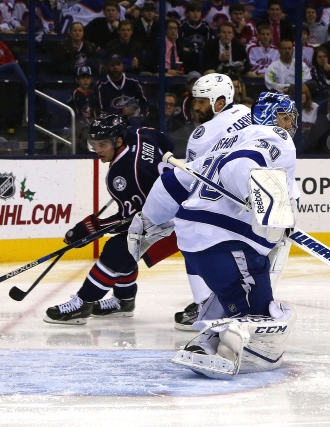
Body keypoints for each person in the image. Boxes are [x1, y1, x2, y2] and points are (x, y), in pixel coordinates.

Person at [128, 92, 299, 377]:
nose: (289, 124)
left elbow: (172, 181)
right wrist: (260, 202)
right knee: (259, 312)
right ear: (272, 117)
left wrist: (149, 221)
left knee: (231, 293)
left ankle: (206, 341)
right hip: (228, 237)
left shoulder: (225, 142)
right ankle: (235, 339)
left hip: (194, 239)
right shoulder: (277, 138)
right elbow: (240, 167)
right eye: (285, 116)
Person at [44, 114, 175, 325]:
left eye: (103, 144)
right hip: (179, 205)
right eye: (94, 144)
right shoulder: (141, 133)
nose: (98, 149)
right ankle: (124, 301)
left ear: (119, 141)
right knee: (130, 245)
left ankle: (83, 303)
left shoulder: (122, 174)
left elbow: (132, 220)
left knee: (119, 248)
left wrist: (90, 228)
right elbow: (167, 142)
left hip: (172, 221)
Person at [175, 73, 252, 330]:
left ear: (219, 102)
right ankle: (239, 301)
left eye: (201, 102)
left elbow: (191, 181)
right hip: (251, 202)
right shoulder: (246, 112)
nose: (195, 107)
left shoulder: (201, 135)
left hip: (221, 208)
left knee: (190, 235)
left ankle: (204, 304)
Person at [96, 55, 149, 120]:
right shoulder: (101, 85)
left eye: (118, 64)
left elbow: (144, 102)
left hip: (132, 121)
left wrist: (140, 112)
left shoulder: (133, 82)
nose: (115, 67)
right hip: (111, 123)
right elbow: (100, 109)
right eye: (112, 65)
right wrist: (120, 112)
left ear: (123, 66)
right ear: (107, 66)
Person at [178, 0, 214, 74]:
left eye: (198, 11)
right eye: (192, 11)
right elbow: (178, 44)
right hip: (186, 57)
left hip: (203, 57)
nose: (195, 13)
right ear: (187, 13)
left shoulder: (206, 27)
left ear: (201, 13)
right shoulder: (181, 26)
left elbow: (209, 44)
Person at [67, 66, 96, 153]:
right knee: (86, 136)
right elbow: (72, 112)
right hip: (79, 122)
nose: (85, 80)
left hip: (92, 121)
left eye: (87, 78)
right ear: (77, 80)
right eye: (82, 78)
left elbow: (96, 111)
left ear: (91, 80)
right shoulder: (75, 94)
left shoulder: (93, 94)